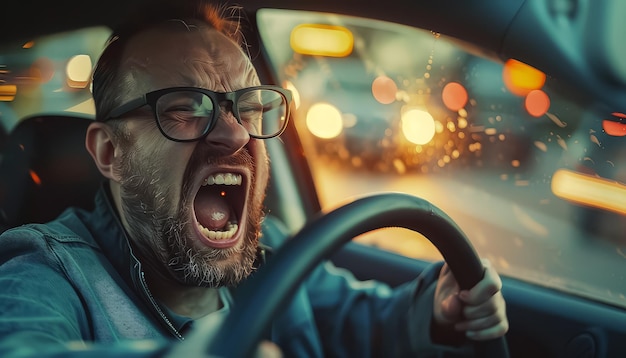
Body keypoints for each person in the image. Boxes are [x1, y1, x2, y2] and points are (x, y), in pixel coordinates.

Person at [0, 0, 508, 357]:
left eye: (249, 106)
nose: (236, 134)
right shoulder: (46, 270)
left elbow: (362, 325)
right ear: (110, 152)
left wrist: (439, 313)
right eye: (184, 108)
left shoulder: (276, 254)